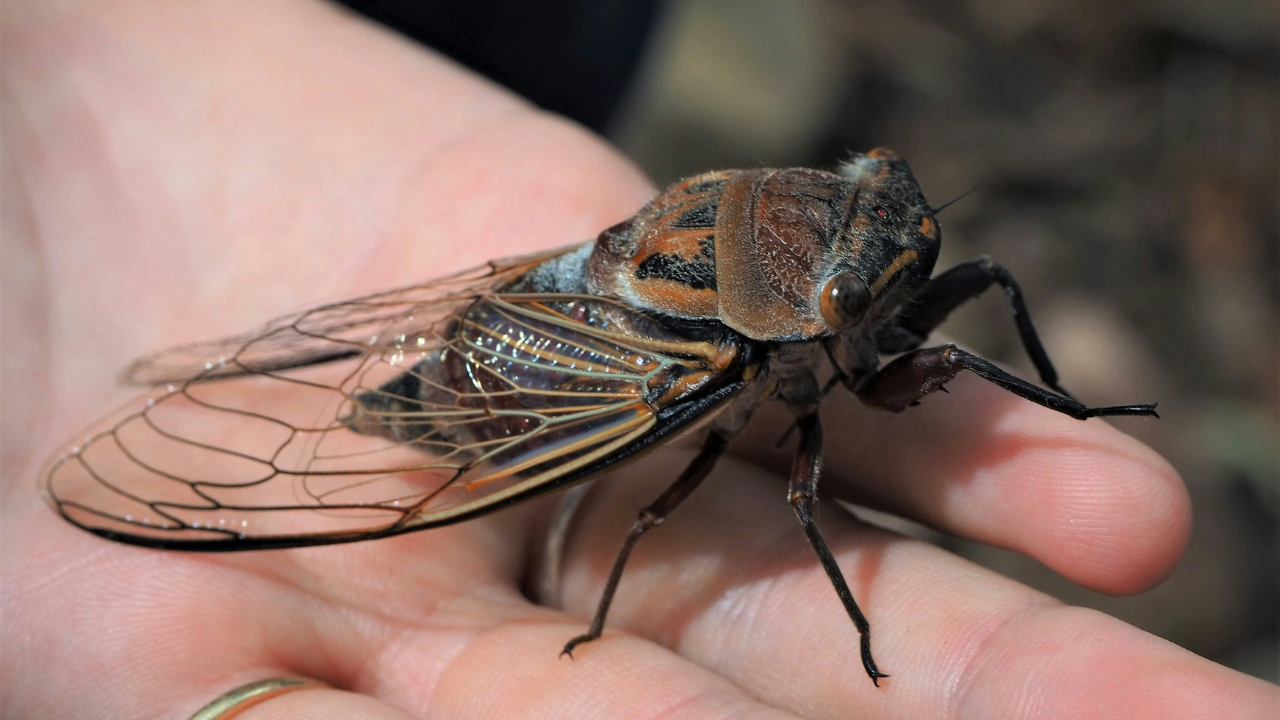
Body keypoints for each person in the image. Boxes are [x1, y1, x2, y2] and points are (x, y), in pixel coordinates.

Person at [4, 2, 1277, 718]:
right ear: (803, 291)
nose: (891, 295)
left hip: (590, 277)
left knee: (986, 284)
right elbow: (760, 500)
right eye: (852, 298)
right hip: (539, 381)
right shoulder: (711, 365)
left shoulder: (807, 240)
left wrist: (1060, 401)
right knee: (732, 497)